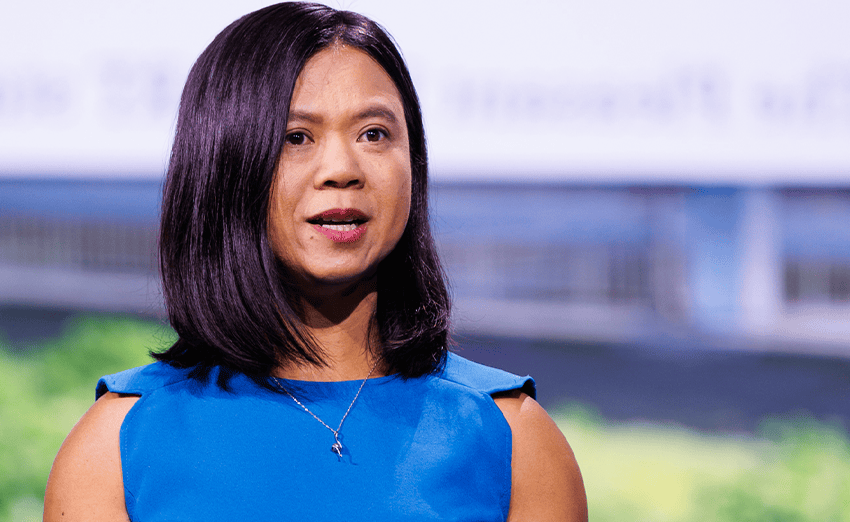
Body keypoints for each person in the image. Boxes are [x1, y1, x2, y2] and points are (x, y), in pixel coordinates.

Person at [43, 3, 587, 521]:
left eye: (374, 134)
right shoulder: (115, 445)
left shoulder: (511, 434)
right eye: (296, 137)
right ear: (223, 166)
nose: (342, 169)